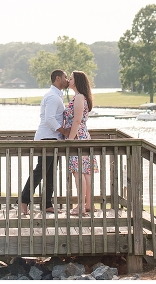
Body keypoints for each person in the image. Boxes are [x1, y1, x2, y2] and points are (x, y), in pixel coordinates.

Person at [20, 69, 71, 216]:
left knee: (49, 173)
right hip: (47, 139)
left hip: (53, 139)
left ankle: (47, 204)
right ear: (57, 78)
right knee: (40, 172)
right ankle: (24, 201)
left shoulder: (56, 95)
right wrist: (64, 132)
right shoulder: (53, 97)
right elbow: (49, 119)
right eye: (65, 78)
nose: (67, 80)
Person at [64, 70, 98, 215]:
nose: (68, 81)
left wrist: (70, 140)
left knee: (79, 172)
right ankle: (89, 204)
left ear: (77, 81)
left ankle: (80, 206)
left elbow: (77, 120)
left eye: (70, 78)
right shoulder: (82, 97)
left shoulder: (79, 97)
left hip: (78, 136)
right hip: (83, 135)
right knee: (86, 172)